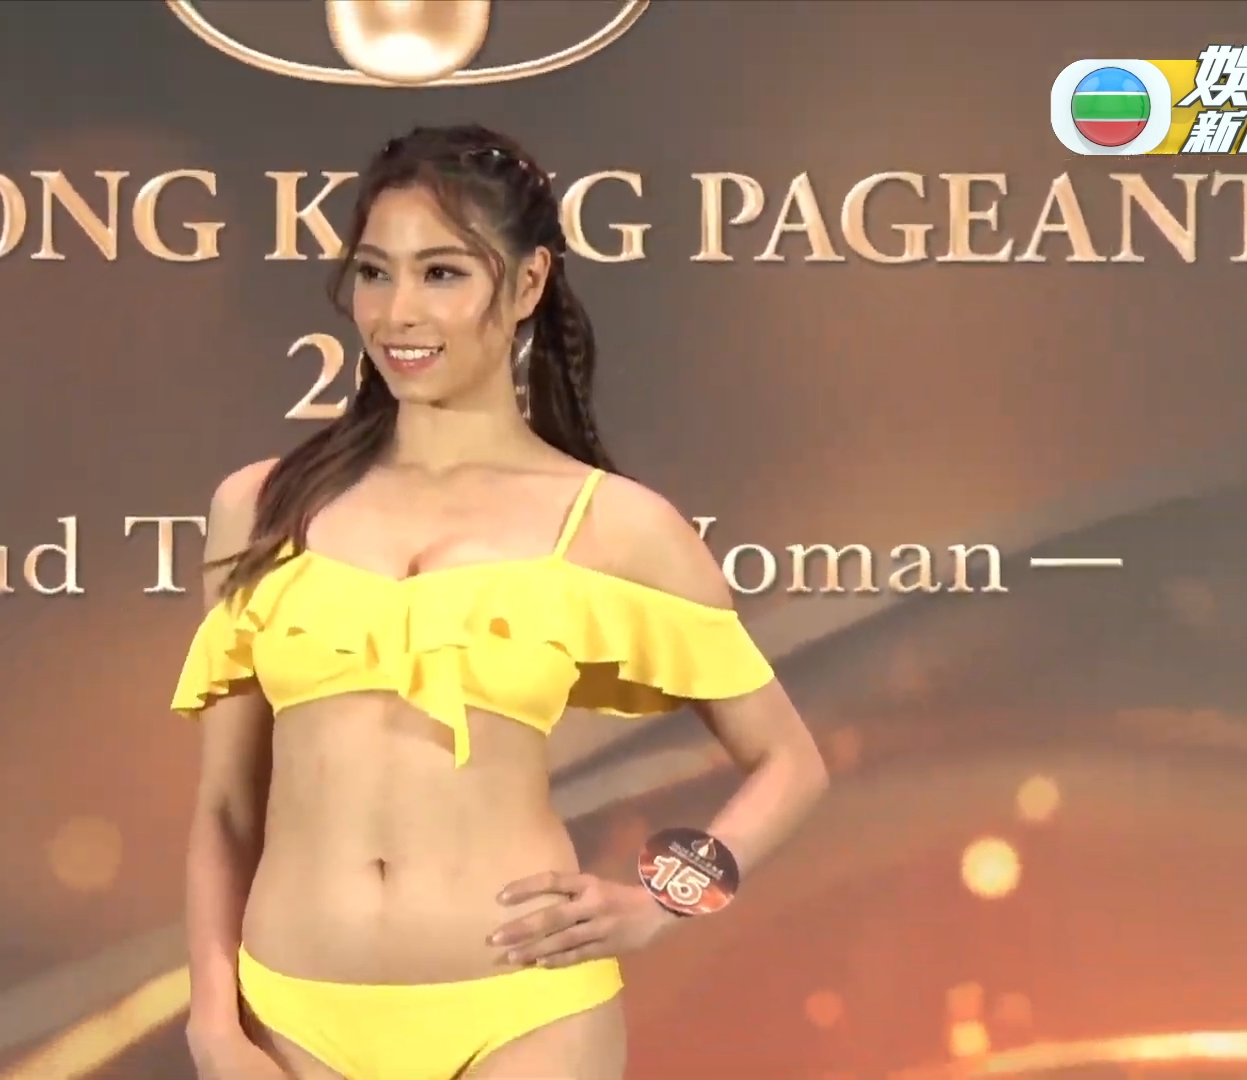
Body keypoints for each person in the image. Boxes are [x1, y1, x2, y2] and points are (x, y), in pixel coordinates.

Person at [174, 125, 830, 1080]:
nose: (399, 312)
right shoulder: (261, 506)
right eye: (374, 273)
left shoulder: (616, 524)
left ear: (527, 284)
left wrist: (660, 904)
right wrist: (212, 1018)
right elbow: (228, 810)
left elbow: (790, 763)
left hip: (529, 1015)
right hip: (289, 1019)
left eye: (442, 273)